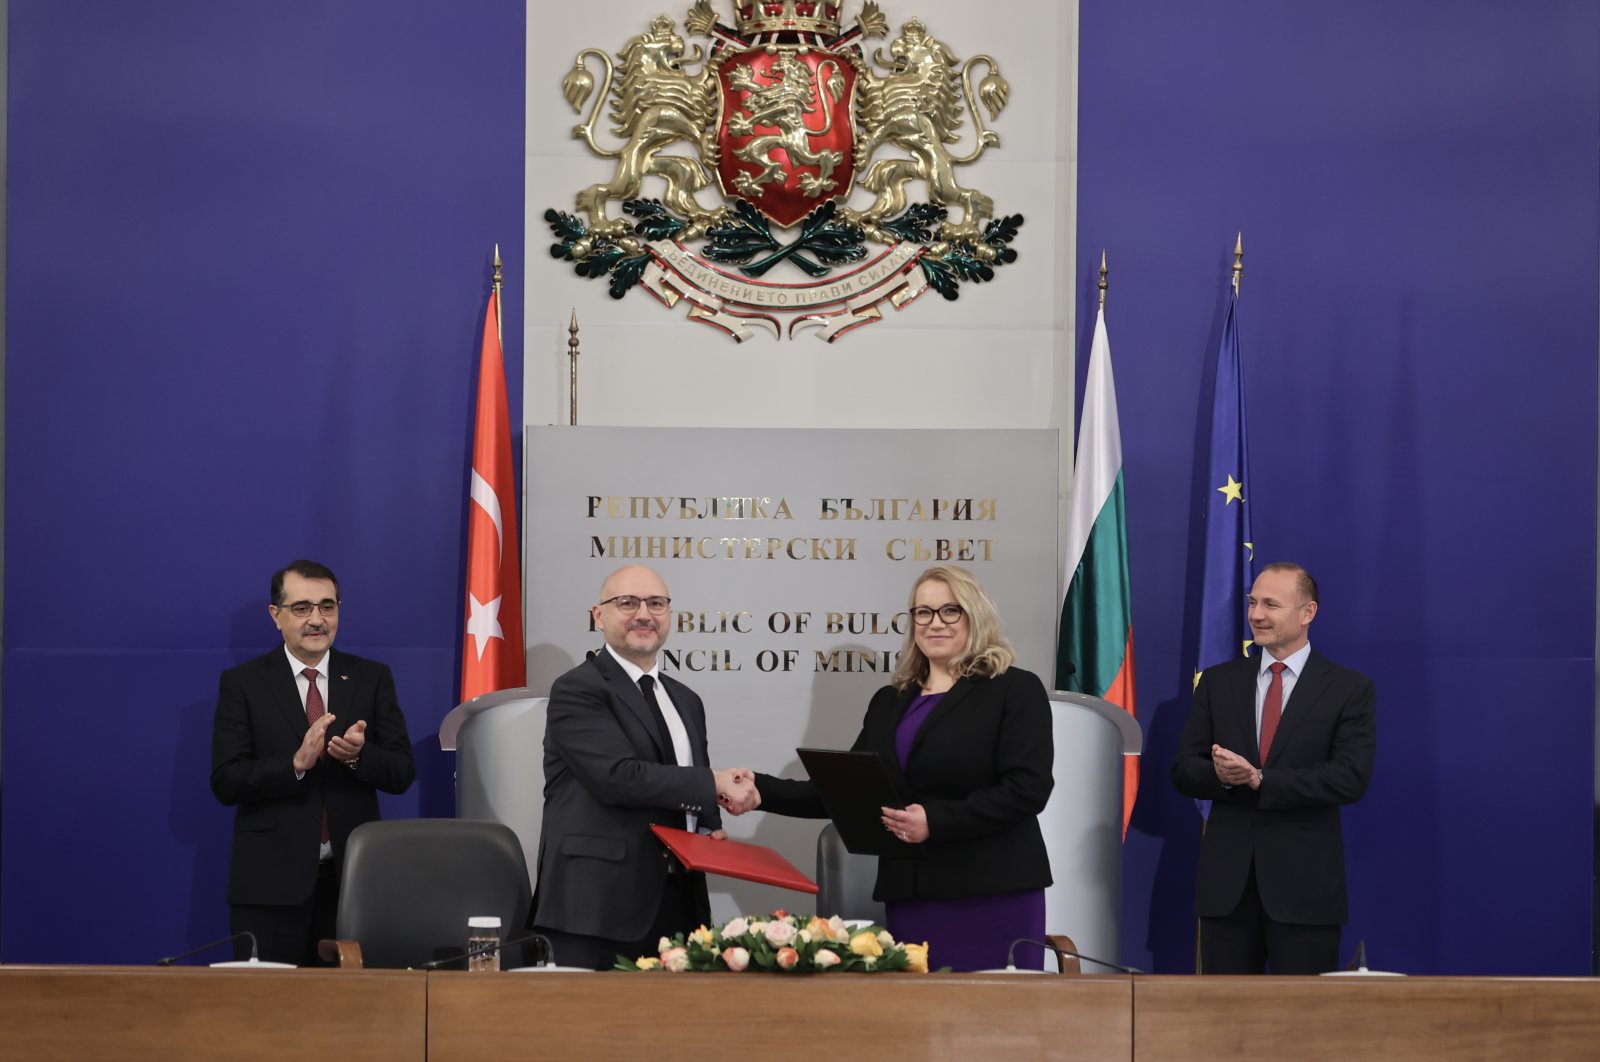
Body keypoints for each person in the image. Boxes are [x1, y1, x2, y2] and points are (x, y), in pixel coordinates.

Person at [753, 565, 1055, 972]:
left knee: (1001, 1028)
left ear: (974, 615)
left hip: (993, 891)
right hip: (913, 895)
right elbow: (849, 792)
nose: (935, 623)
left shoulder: (1014, 689)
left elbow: (1027, 789)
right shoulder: (889, 701)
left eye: (950, 611)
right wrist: (759, 790)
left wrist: (936, 820)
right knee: (923, 1027)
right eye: (923, 613)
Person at [530, 564, 759, 970]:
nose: (643, 614)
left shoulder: (686, 699)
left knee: (673, 1031)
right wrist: (713, 782)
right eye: (627, 602)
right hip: (597, 908)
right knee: (589, 1030)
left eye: (656, 603)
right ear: (598, 616)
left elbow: (682, 778)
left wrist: (710, 818)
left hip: (678, 903)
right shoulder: (578, 689)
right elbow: (618, 778)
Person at [1171, 561, 1376, 974]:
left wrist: (1262, 780)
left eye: (1270, 604)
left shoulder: (1348, 689)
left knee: (1302, 1025)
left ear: (1308, 613)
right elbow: (1184, 769)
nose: (1256, 615)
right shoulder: (1218, 682)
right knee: (1224, 1020)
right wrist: (1224, 778)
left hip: (1305, 892)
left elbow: (1349, 778)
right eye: (1252, 603)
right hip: (1227, 891)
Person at [210, 560, 416, 965]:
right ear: (276, 615)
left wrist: (359, 757)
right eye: (302, 608)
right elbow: (226, 780)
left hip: (353, 886)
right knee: (269, 1014)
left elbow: (401, 772)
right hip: (269, 890)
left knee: (349, 1017)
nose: (317, 620)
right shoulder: (244, 684)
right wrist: (295, 764)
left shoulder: (370, 678)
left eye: (327, 606)